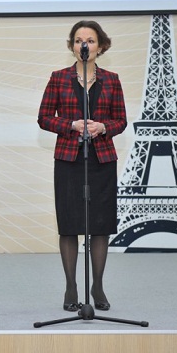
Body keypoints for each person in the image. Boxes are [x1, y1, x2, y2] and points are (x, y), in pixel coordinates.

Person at [37, 20, 127, 312]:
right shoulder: (58, 78)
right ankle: (71, 286)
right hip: (68, 159)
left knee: (99, 225)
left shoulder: (111, 79)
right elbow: (44, 118)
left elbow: (121, 120)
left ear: (100, 46)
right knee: (70, 224)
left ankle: (97, 285)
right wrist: (70, 125)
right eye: (78, 40)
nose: (83, 45)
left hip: (101, 159)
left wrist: (103, 126)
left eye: (90, 40)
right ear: (72, 45)